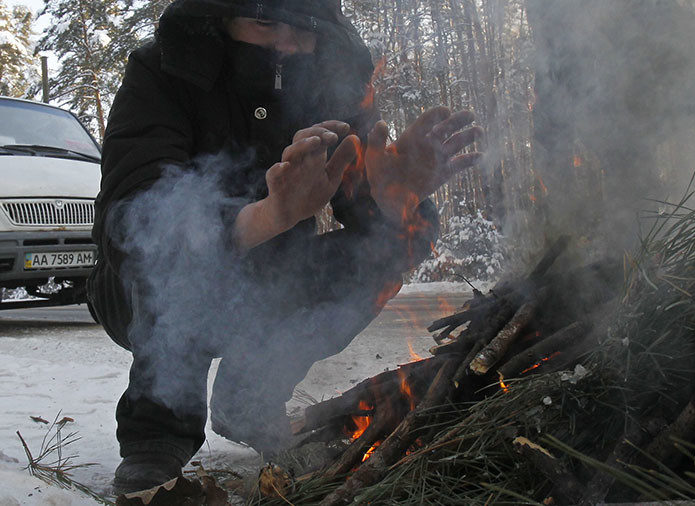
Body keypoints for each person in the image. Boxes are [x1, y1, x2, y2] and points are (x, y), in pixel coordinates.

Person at [88, 0, 483, 494]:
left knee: (387, 246)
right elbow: (130, 223)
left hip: (272, 282)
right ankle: (157, 431)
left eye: (303, 29)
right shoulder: (161, 72)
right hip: (142, 290)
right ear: (220, 19)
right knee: (164, 243)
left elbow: (369, 217)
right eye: (263, 22)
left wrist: (394, 202)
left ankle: (251, 397)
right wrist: (267, 217)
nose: (284, 44)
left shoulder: (335, 86)